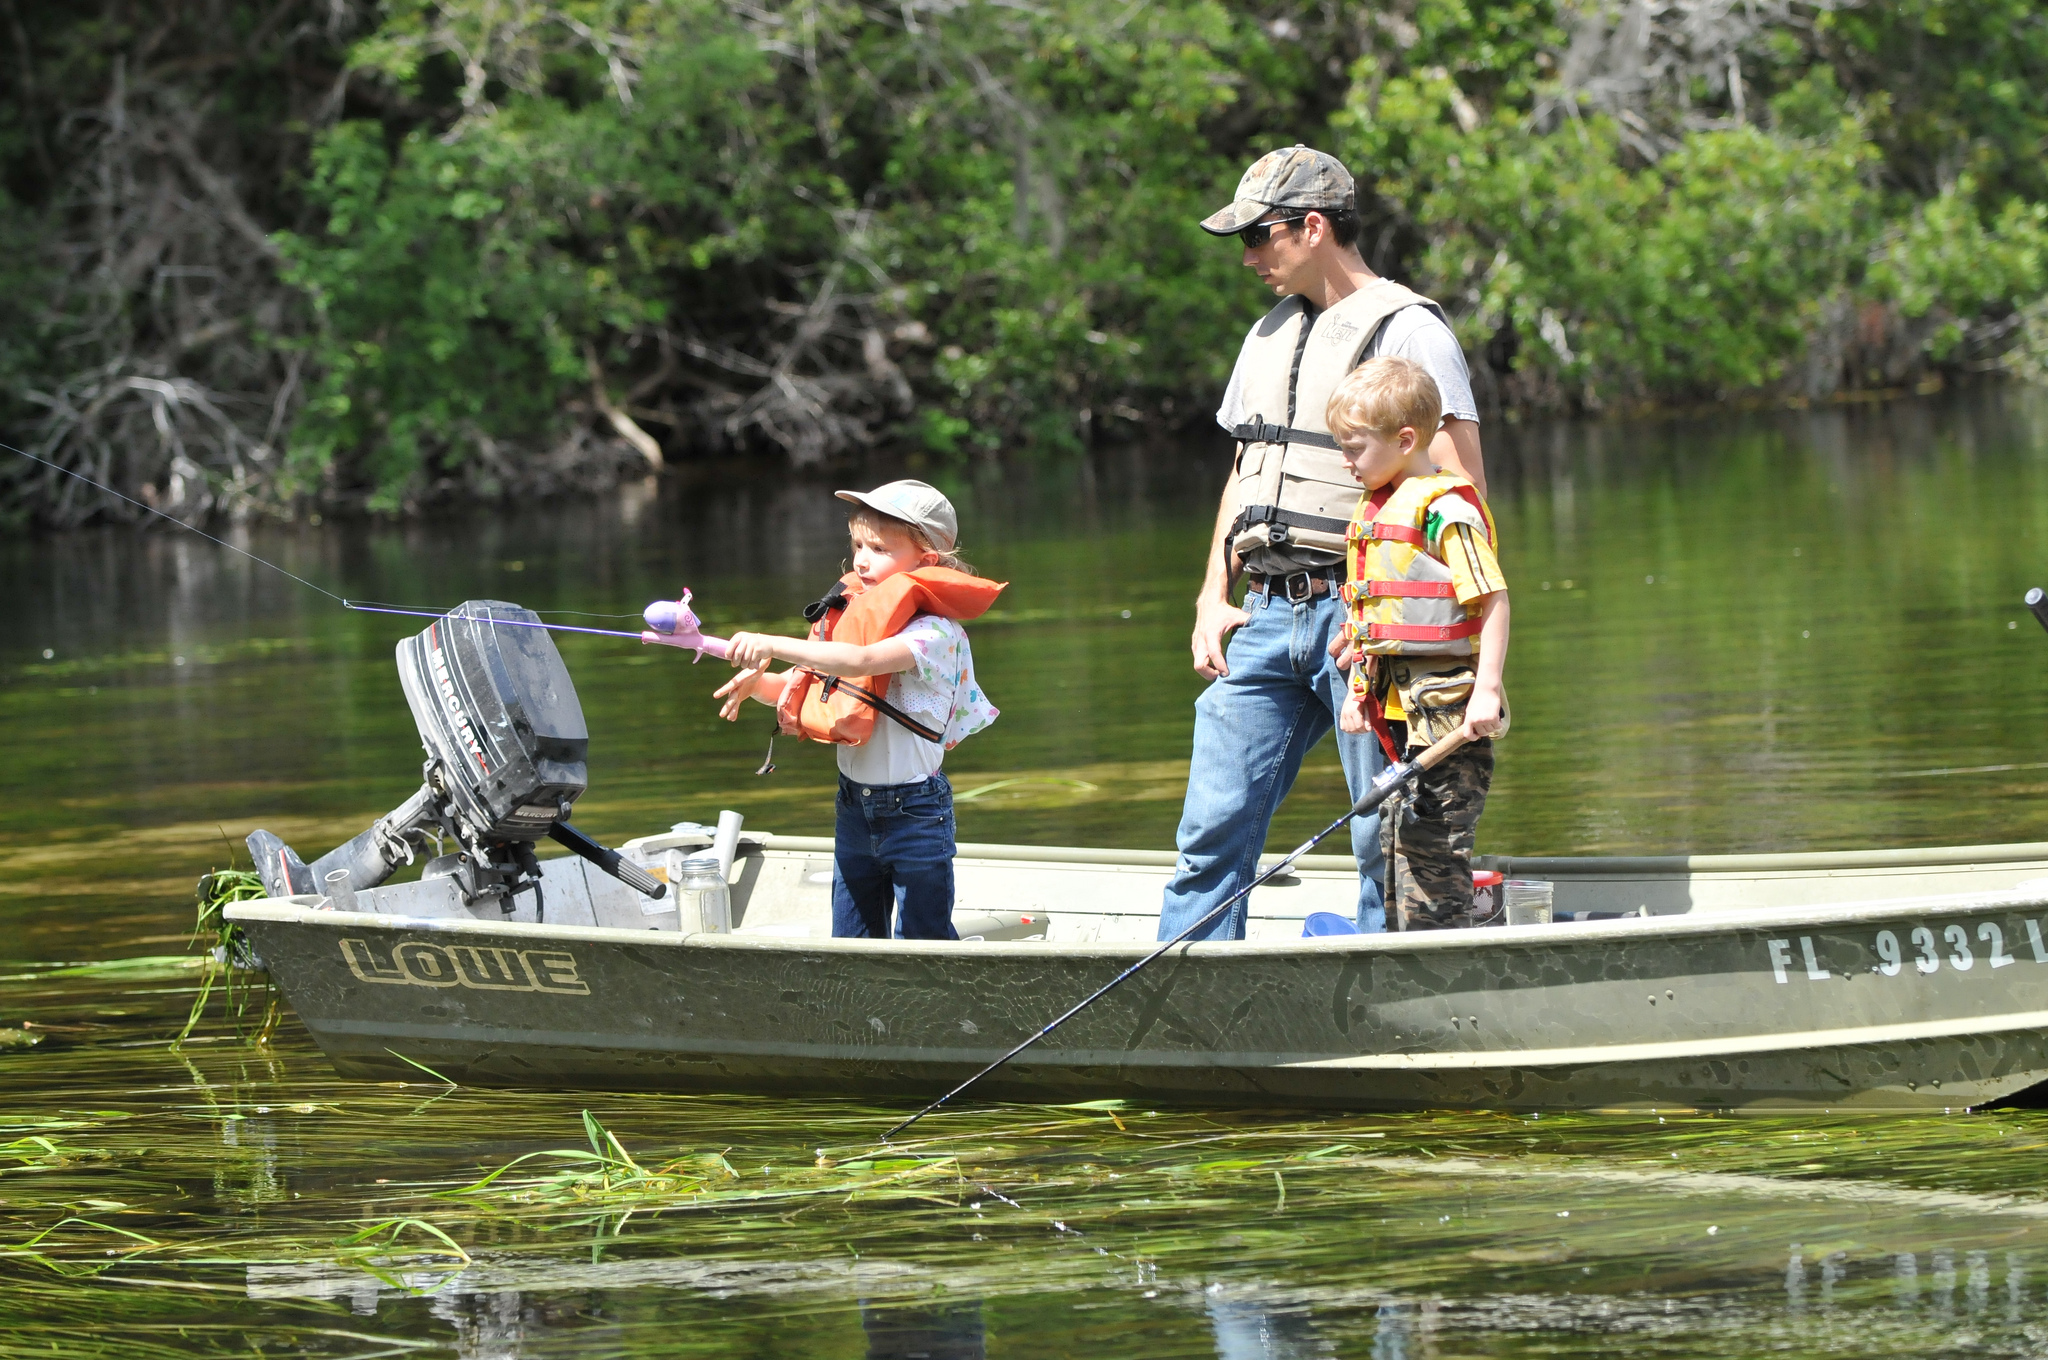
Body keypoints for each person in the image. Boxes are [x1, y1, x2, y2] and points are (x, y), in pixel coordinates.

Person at [1159, 144, 1486, 942]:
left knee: (1384, 835)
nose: (1249, 257)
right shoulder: (1265, 335)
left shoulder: (1410, 330)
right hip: (1266, 614)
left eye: (1257, 236)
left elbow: (1463, 497)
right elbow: (1247, 469)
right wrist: (1213, 596)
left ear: (1313, 226)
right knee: (1210, 830)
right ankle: (1186, 999)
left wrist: (1411, 631)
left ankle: (1388, 996)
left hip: (1363, 618)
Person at [715, 480, 1002, 940]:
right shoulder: (852, 622)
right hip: (853, 807)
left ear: (926, 561)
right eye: (856, 545)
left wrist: (770, 642)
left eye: (879, 548)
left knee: (925, 946)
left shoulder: (934, 636)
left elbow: (863, 663)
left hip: (917, 813)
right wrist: (758, 685)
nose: (861, 560)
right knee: (851, 942)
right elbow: (804, 686)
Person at [1331, 357, 1509, 929]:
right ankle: (1403, 956)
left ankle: (1442, 966)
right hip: (1400, 717)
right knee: (1393, 839)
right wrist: (1359, 694)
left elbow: (1495, 600)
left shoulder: (1444, 512)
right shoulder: (1377, 508)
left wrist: (1487, 690)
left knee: (1435, 846)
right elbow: (1371, 625)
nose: (1346, 461)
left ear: (1406, 440)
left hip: (1451, 714)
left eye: (1354, 447)